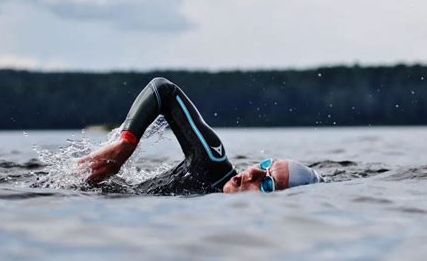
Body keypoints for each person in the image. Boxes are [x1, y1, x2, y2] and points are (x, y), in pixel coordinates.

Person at [78, 78, 323, 195]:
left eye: (267, 184)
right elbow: (164, 90)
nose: (252, 173)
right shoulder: (211, 164)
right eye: (265, 165)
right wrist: (126, 142)